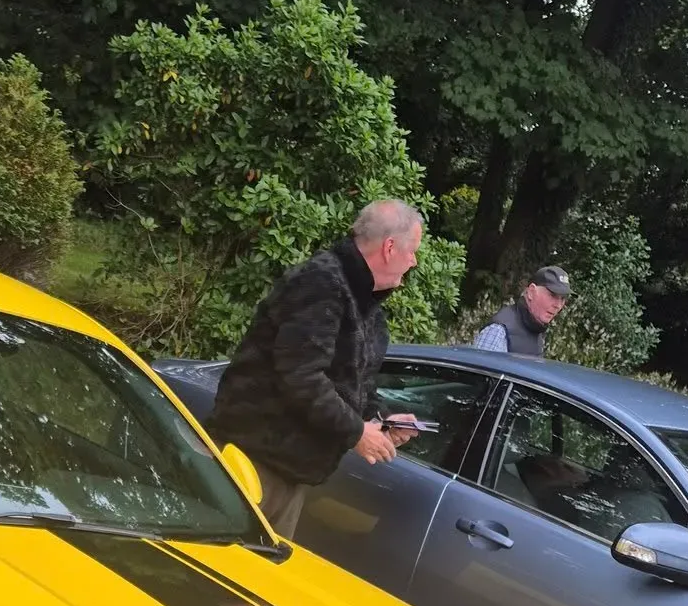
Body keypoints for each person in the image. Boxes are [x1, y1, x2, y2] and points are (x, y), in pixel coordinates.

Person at [209, 198, 424, 538]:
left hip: (292, 474)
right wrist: (355, 433)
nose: (413, 262)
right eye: (412, 251)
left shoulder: (368, 310)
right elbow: (301, 377)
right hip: (252, 460)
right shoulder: (321, 282)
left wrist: (380, 422)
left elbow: (350, 387)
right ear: (389, 247)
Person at [472, 267, 570, 356]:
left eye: (562, 299)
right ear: (531, 292)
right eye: (552, 295)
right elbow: (478, 373)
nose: (558, 305)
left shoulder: (536, 326)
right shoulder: (499, 331)